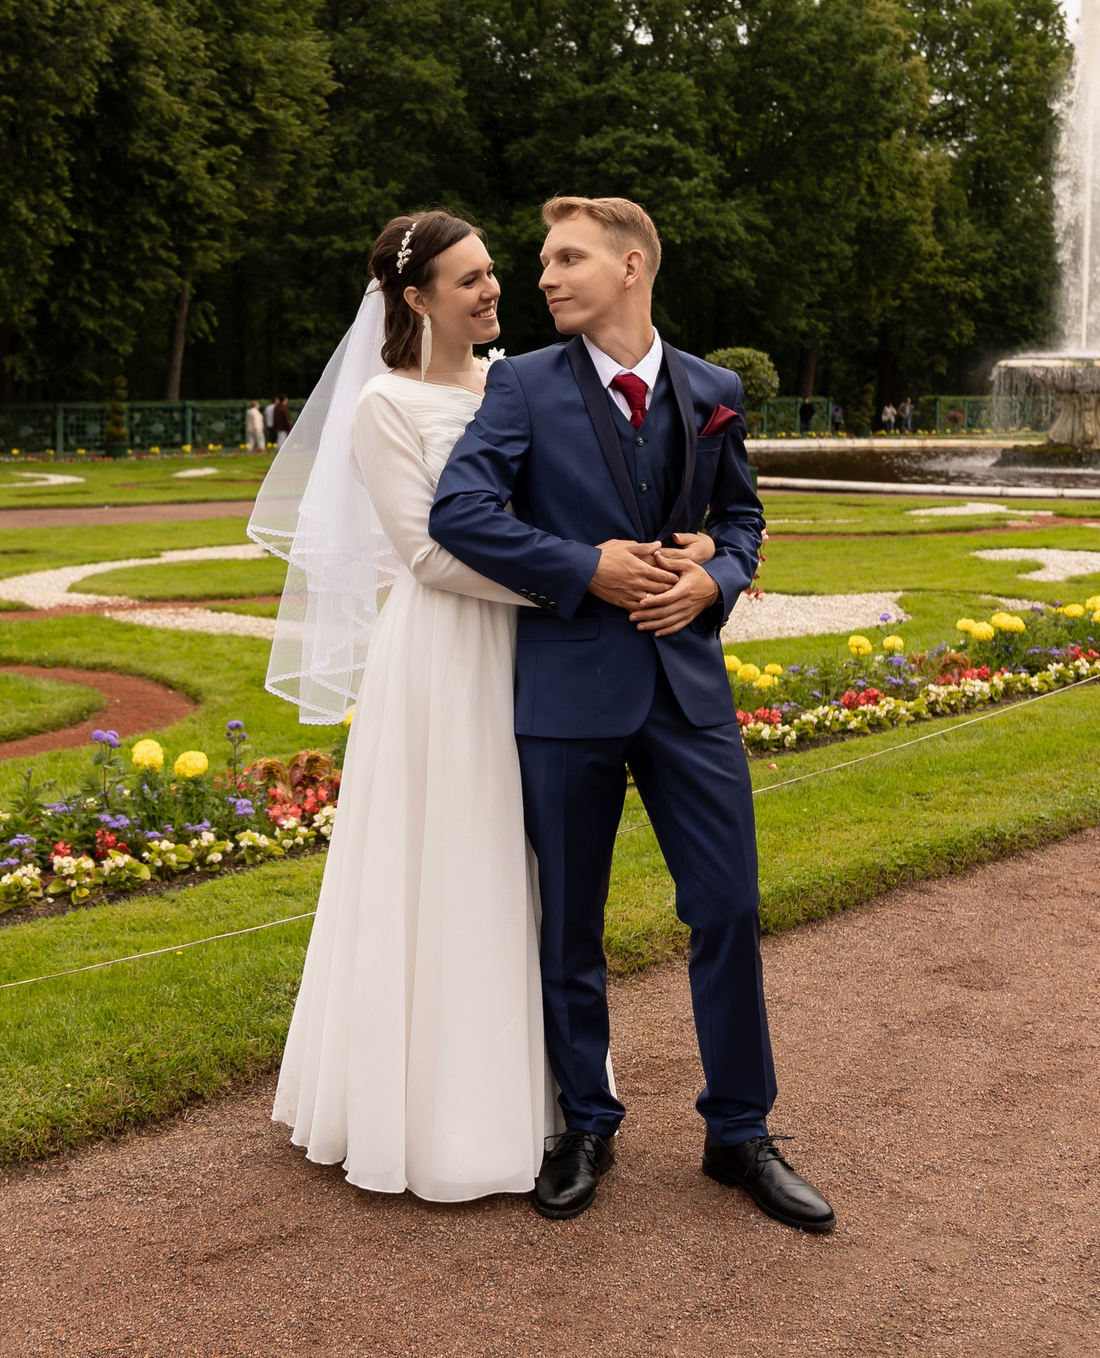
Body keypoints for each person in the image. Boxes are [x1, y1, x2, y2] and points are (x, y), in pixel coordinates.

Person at [430, 195, 834, 1232]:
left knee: (728, 907)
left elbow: (739, 517)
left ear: (632, 265)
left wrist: (719, 578)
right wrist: (585, 567)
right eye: (543, 259)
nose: (545, 276)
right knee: (569, 924)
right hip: (567, 691)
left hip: (688, 689)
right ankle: (586, 1122)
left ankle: (739, 1131)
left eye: (567, 257)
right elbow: (459, 512)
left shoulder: (713, 388)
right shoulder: (520, 384)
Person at [257, 211, 564, 1199]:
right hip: (442, 653)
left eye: (492, 274)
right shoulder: (382, 407)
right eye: (467, 279)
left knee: (526, 865)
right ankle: (429, 1114)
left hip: (529, 649)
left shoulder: (514, 382)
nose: (491, 291)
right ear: (414, 296)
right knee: (447, 859)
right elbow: (428, 555)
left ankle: (543, 1097)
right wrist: (575, 583)